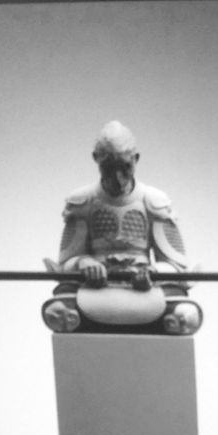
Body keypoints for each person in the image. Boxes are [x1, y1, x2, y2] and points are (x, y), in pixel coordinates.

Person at [42, 121, 200, 334]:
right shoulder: (82, 201)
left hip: (143, 287)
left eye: (125, 167)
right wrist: (84, 263)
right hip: (95, 288)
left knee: (185, 314)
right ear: (96, 159)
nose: (118, 178)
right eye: (109, 168)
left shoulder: (154, 201)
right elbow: (66, 263)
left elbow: (175, 265)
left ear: (136, 159)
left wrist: (152, 272)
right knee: (58, 309)